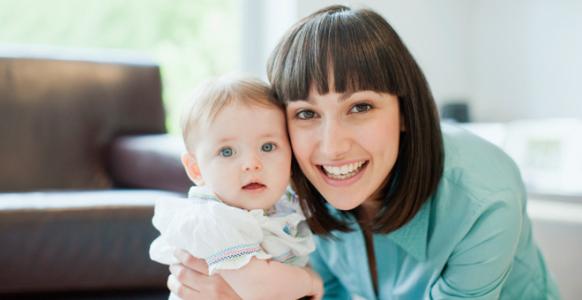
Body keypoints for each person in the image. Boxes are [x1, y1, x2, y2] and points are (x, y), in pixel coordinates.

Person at [168, 5, 561, 300]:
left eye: (360, 107)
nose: (333, 146)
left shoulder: (482, 196)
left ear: (404, 111)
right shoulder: (289, 187)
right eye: (306, 113)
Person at [150, 76, 323, 299]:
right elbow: (261, 288)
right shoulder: (213, 220)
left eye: (268, 146)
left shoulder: (287, 205)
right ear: (196, 169)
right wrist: (312, 283)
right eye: (227, 152)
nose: (251, 164)